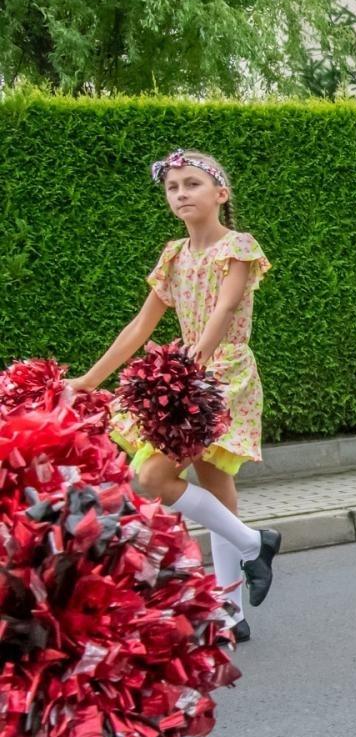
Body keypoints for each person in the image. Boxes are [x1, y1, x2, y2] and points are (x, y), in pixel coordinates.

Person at [69, 150, 280, 642]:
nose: (181, 193)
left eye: (192, 184)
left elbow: (225, 309)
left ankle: (252, 550)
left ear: (220, 195)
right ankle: (234, 603)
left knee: (154, 475)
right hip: (186, 370)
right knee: (213, 484)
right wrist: (88, 380)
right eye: (173, 187)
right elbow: (141, 325)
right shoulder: (174, 255)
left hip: (223, 373)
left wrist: (195, 361)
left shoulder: (239, 247)